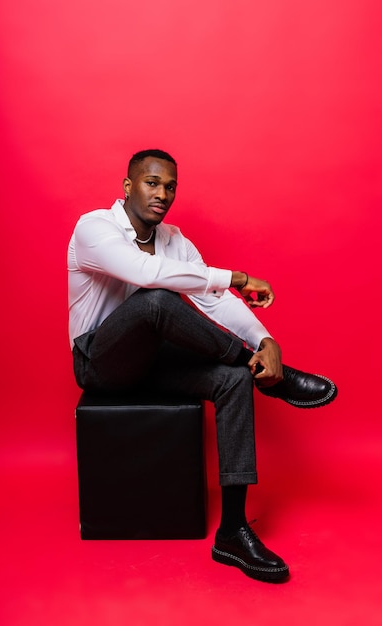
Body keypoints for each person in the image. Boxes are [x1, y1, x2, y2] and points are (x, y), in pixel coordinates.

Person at [68, 148, 337, 583]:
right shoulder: (94, 228)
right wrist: (238, 276)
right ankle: (272, 378)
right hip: (100, 362)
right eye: (152, 183)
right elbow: (146, 274)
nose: (163, 194)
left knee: (233, 380)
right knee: (155, 300)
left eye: (170, 186)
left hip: (153, 360)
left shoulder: (175, 239)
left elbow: (212, 298)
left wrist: (265, 341)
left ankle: (232, 531)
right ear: (127, 187)